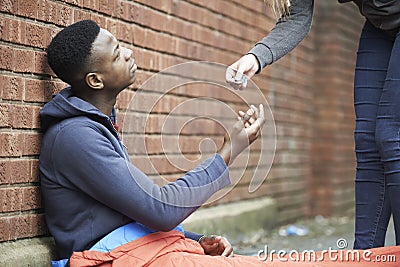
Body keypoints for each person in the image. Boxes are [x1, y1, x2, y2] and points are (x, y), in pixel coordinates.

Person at [39, 19, 265, 266]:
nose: (128, 53)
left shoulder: (91, 127)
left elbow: (129, 215)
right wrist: (229, 150)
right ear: (95, 81)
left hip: (137, 252)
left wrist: (196, 240)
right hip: (109, 260)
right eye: (117, 54)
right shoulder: (75, 137)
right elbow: (160, 209)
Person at [225, 0, 400, 250]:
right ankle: (365, 256)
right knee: (367, 141)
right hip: (380, 27)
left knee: (391, 135)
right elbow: (297, 16)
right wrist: (256, 57)